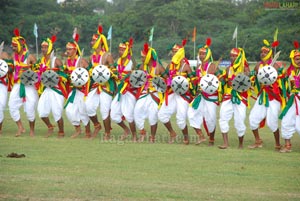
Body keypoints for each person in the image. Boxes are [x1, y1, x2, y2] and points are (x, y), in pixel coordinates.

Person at [248, 39, 283, 150]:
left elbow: (280, 79)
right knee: (252, 119)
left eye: (265, 52)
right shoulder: (258, 65)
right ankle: (258, 141)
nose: (262, 54)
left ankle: (278, 144)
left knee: (272, 122)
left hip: (273, 96)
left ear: (270, 54)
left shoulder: (276, 65)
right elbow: (252, 77)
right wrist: (250, 78)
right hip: (262, 96)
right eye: (261, 52)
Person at [158, 39, 194, 144]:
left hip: (183, 95)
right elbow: (166, 78)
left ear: (180, 53)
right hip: (172, 93)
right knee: (162, 114)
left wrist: (188, 83)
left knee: (180, 118)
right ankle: (172, 133)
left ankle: (186, 138)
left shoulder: (185, 65)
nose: (173, 53)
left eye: (175, 52)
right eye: (172, 51)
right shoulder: (170, 65)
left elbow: (194, 80)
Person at [86, 25, 115, 140]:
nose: (91, 42)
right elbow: (89, 71)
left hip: (106, 87)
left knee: (104, 110)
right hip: (94, 86)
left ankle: (107, 133)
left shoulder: (107, 56)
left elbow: (114, 70)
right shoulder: (92, 57)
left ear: (99, 42)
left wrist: (110, 72)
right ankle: (97, 125)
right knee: (88, 106)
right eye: (92, 40)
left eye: (93, 40)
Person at [188, 38, 219, 146]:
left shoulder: (212, 66)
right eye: (200, 54)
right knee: (191, 113)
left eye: (203, 54)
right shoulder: (199, 66)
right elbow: (197, 80)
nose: (201, 56)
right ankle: (200, 135)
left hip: (211, 96)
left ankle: (211, 139)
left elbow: (215, 79)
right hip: (200, 95)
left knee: (210, 118)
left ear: (208, 54)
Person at [218, 47, 250, 149]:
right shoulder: (228, 69)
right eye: (231, 56)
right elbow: (224, 79)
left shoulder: (244, 68)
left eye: (234, 56)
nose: (232, 58)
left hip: (240, 97)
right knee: (223, 118)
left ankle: (240, 144)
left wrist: (245, 75)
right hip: (228, 95)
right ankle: (225, 143)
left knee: (240, 120)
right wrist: (223, 80)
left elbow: (248, 79)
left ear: (239, 57)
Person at [133, 43, 166, 143]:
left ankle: (152, 137)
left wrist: (159, 80)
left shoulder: (159, 67)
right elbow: (137, 78)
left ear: (149, 57)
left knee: (153, 113)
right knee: (137, 111)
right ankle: (142, 131)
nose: (141, 59)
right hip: (144, 92)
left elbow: (167, 80)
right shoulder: (142, 66)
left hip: (156, 93)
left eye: (143, 57)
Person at [8, 28, 37, 137]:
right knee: (12, 106)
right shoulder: (13, 57)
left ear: (20, 45)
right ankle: (20, 127)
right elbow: (11, 69)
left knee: (30, 108)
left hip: (29, 86)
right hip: (17, 84)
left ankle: (32, 130)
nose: (13, 48)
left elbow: (38, 71)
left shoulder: (30, 57)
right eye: (12, 46)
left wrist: (28, 71)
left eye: (15, 46)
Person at [36, 35, 67, 138]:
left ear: (49, 48)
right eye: (42, 47)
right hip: (46, 89)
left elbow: (64, 74)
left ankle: (61, 131)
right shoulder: (41, 61)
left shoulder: (56, 61)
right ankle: (50, 126)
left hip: (57, 89)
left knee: (57, 111)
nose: (43, 49)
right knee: (41, 111)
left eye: (45, 47)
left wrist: (57, 76)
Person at [64, 32, 91, 138]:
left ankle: (88, 132)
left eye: (70, 49)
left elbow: (89, 74)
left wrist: (82, 71)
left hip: (82, 90)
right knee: (69, 110)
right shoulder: (66, 61)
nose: (68, 51)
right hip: (73, 90)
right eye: (67, 49)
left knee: (83, 111)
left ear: (75, 50)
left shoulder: (82, 61)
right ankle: (78, 129)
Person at [110, 38, 138, 142]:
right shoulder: (119, 61)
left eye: (122, 50)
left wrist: (127, 77)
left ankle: (135, 136)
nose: (120, 51)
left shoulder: (132, 61)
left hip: (129, 91)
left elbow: (136, 75)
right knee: (114, 114)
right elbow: (117, 73)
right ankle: (126, 130)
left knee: (128, 114)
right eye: (119, 49)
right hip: (120, 91)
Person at [279, 41, 300, 153]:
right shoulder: (290, 71)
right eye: (297, 59)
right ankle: (287, 145)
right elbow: (288, 87)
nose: (299, 61)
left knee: (298, 126)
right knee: (286, 121)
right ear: (293, 60)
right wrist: (281, 76)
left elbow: (296, 84)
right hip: (292, 100)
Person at [0, 42, 12, 135]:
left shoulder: (4, 54)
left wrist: (3, 65)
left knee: (1, 105)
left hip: (2, 84)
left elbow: (11, 69)